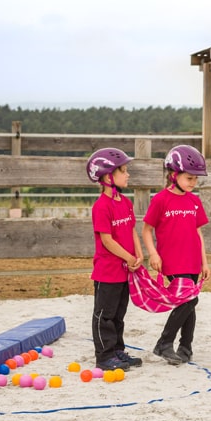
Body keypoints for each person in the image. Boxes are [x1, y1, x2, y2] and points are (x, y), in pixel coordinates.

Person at [142, 145, 211, 365]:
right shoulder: (161, 200)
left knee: (189, 302)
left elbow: (198, 233)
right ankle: (164, 343)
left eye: (195, 179)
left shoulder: (194, 201)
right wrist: (153, 254)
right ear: (174, 175)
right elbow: (146, 230)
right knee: (190, 299)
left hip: (192, 261)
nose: (193, 183)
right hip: (172, 260)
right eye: (189, 178)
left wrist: (205, 262)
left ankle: (186, 347)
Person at [86, 147, 145, 371]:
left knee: (119, 313)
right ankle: (104, 356)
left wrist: (139, 254)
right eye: (124, 171)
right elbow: (107, 240)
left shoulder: (126, 203)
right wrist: (129, 256)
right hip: (107, 271)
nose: (128, 174)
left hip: (124, 270)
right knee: (105, 315)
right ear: (108, 176)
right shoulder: (101, 206)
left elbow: (131, 230)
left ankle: (117, 350)